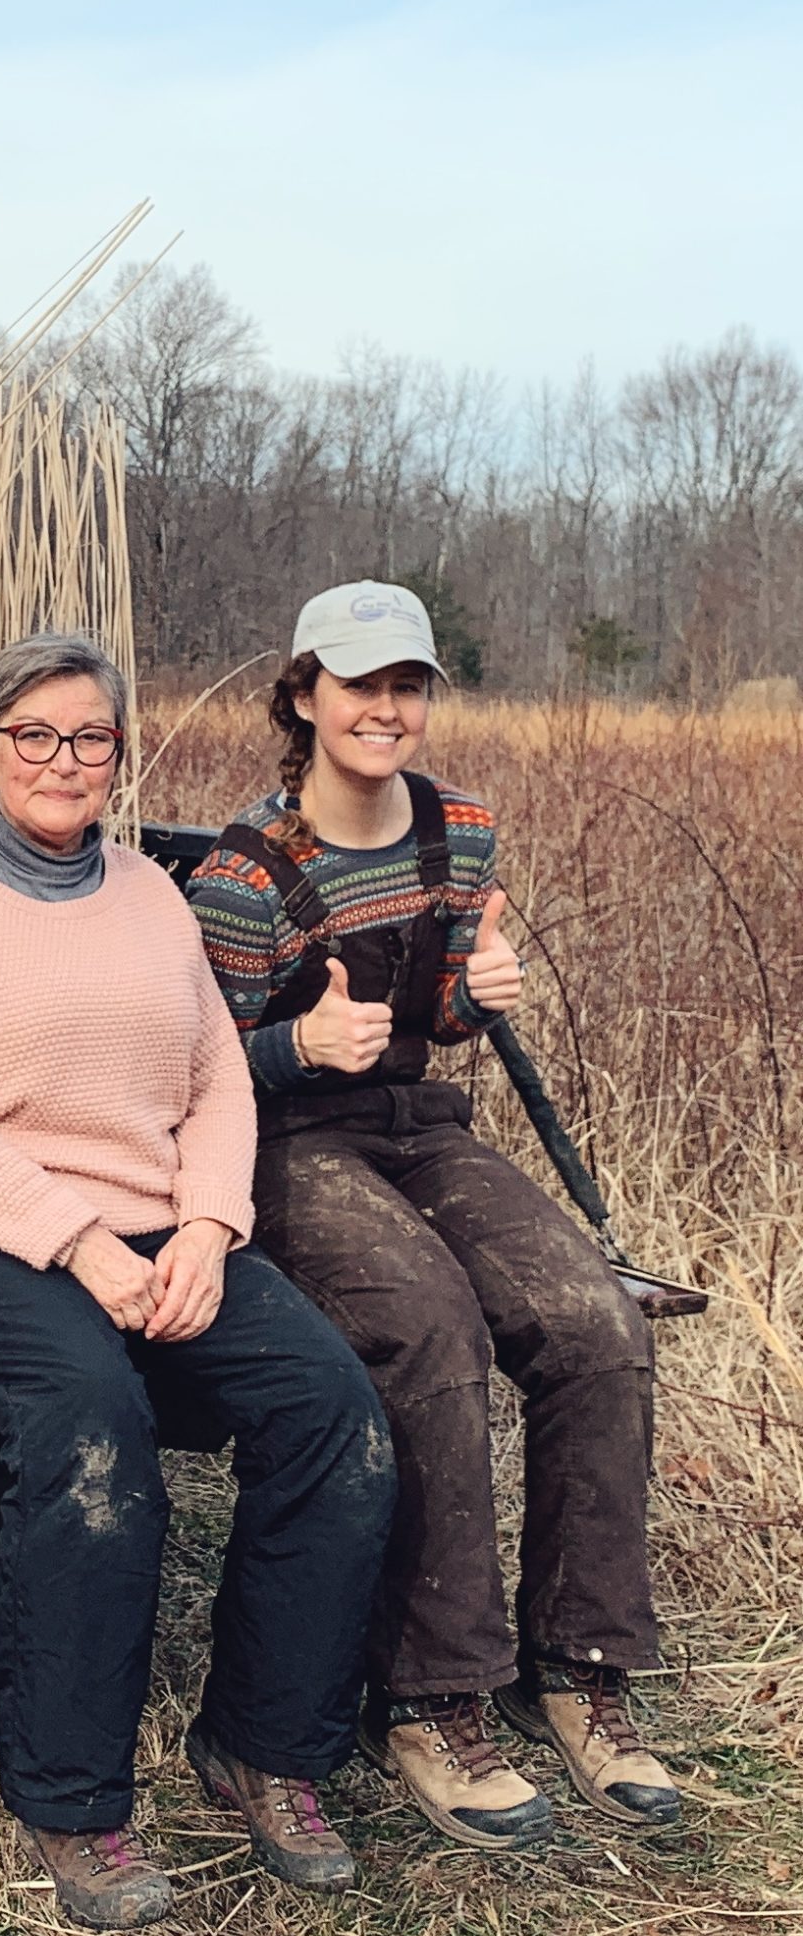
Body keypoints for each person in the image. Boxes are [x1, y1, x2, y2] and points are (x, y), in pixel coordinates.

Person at [0, 632, 394, 1930]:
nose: (63, 760)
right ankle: (75, 1804)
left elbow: (214, 1078)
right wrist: (76, 1241)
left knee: (333, 1415)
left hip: (159, 1224)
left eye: (89, 736)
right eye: (33, 734)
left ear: (115, 753)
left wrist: (206, 1227)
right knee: (95, 1428)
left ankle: (263, 1748)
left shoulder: (152, 892)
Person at [186, 580, 678, 1848]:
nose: (386, 708)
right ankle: (426, 1696)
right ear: (304, 696)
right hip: (283, 1145)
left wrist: (477, 990)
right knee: (428, 1331)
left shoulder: (459, 829)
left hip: (415, 1125)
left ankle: (577, 1668)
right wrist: (294, 1046)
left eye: (406, 685)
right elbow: (187, 1068)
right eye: (359, 684)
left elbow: (444, 1015)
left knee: (597, 1326)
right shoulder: (243, 874)